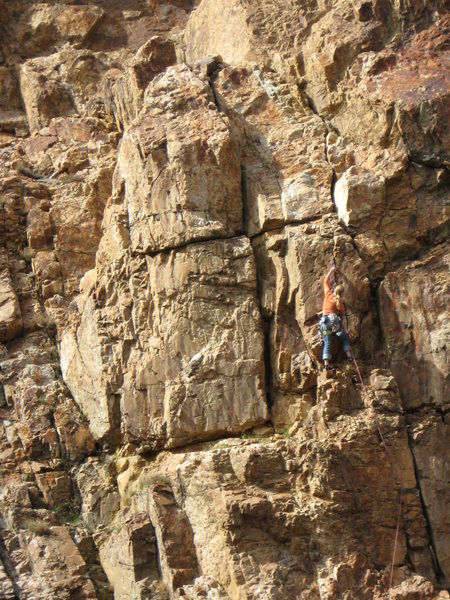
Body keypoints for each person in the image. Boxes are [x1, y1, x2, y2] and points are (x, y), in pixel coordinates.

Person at [319, 266, 353, 370]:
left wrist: (331, 271)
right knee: (344, 338)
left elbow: (325, 281)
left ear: (334, 290)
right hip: (335, 321)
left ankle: (326, 364)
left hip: (324, 322)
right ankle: (349, 356)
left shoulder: (328, 294)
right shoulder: (339, 302)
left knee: (327, 342)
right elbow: (342, 313)